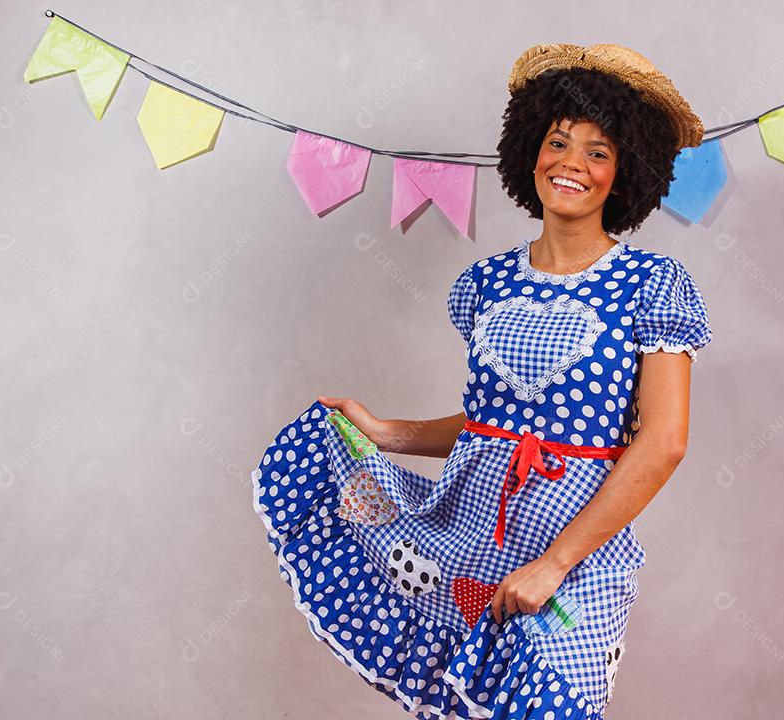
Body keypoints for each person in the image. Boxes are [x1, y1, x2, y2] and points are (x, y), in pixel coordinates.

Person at [251, 43, 713, 719]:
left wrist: (555, 563)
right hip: (472, 534)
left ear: (626, 173)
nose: (572, 164)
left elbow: (664, 443)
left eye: (598, 151)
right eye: (559, 141)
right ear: (531, 148)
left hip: (574, 548)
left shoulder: (653, 286)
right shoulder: (485, 285)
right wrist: (388, 433)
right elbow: (495, 424)